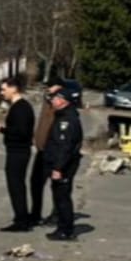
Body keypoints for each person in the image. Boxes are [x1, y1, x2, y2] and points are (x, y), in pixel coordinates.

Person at [0, 77, 36, 232]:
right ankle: (21, 216)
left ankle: (21, 220)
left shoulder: (21, 108)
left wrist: (2, 129)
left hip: (19, 152)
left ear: (14, 89)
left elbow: (22, 132)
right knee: (16, 185)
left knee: (16, 185)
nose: (2, 92)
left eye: (4, 89)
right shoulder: (17, 107)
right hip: (16, 150)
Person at [43, 88, 84, 241]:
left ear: (63, 100)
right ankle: (62, 227)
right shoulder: (62, 116)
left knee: (62, 198)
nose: (52, 101)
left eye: (55, 98)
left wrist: (58, 168)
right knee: (59, 196)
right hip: (59, 163)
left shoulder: (67, 120)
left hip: (64, 166)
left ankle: (65, 230)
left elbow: (65, 147)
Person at [29, 80, 64, 227]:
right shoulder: (46, 102)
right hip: (41, 150)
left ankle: (57, 215)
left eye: (51, 88)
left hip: (54, 151)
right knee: (35, 182)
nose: (48, 91)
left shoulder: (60, 106)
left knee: (57, 186)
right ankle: (35, 214)